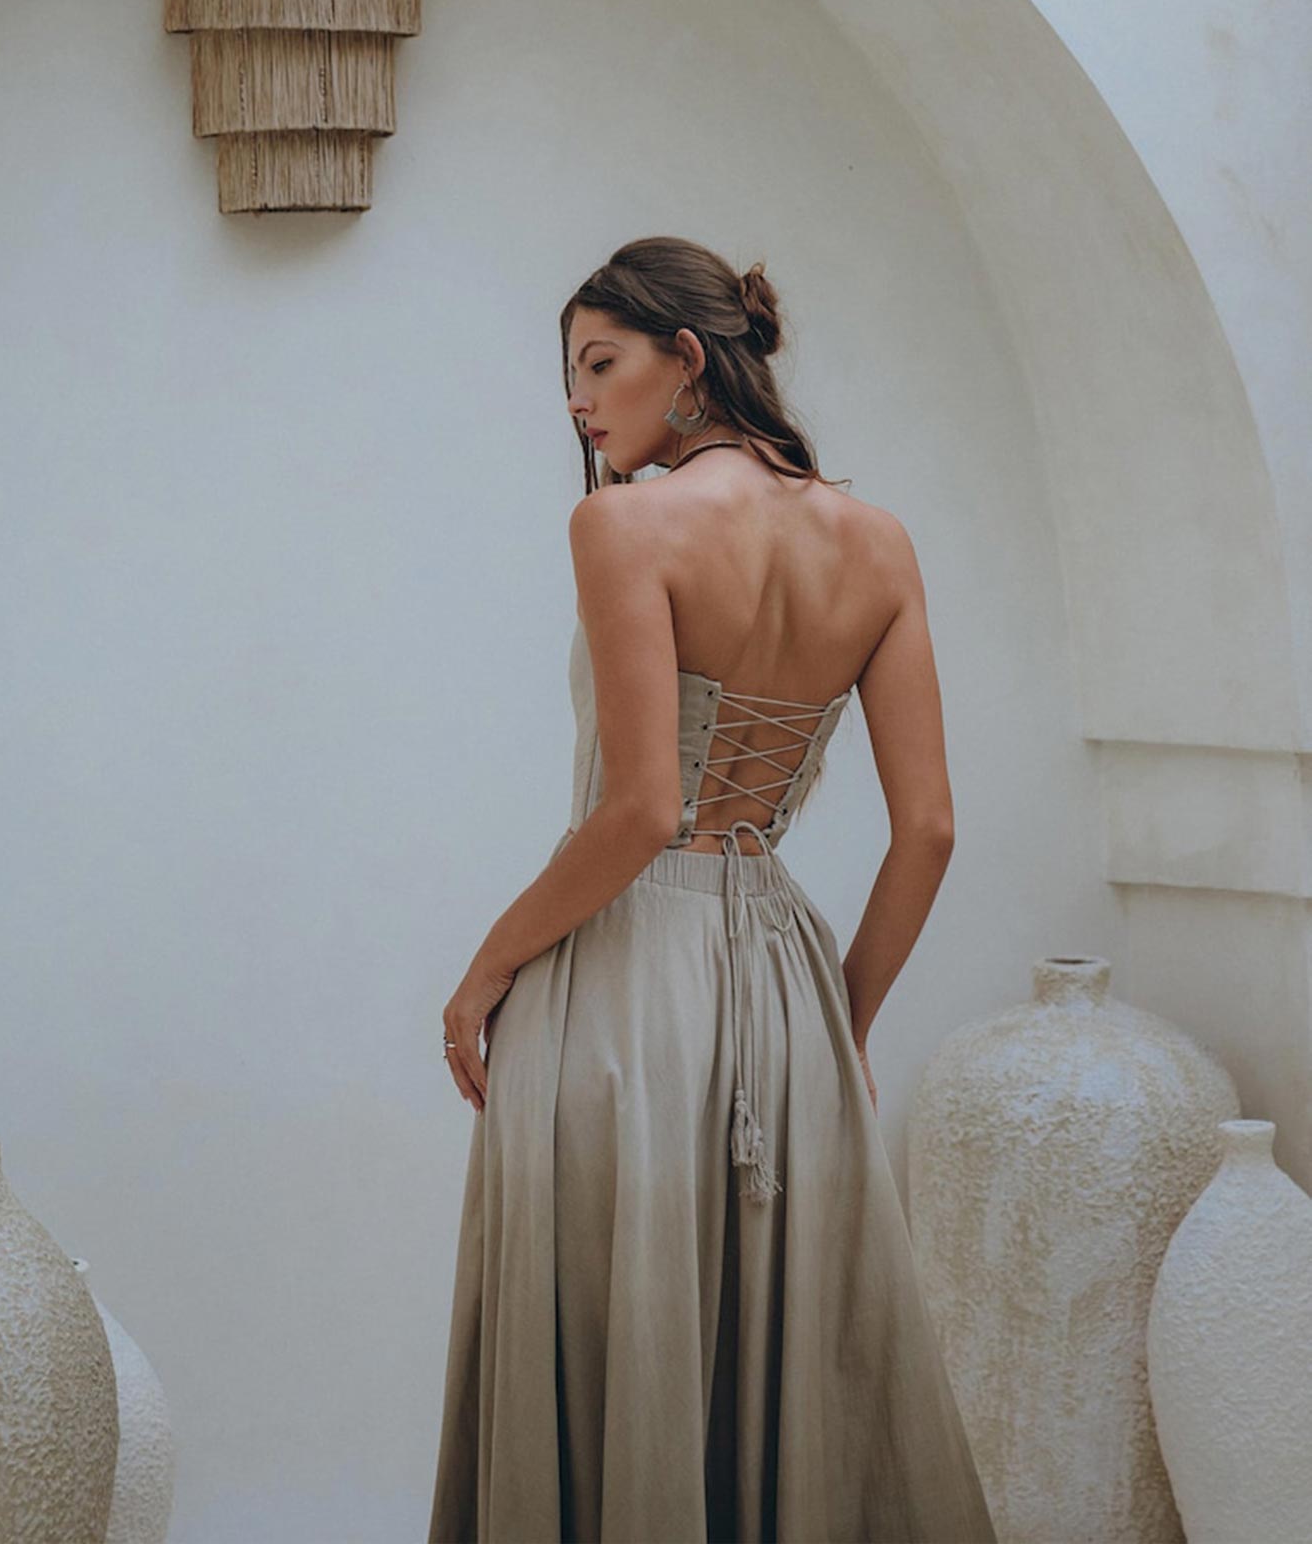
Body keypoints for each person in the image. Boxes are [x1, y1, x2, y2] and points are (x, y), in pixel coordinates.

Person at [427, 236, 998, 1542]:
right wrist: (841, 1023)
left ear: (688, 360)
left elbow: (637, 812)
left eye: (600, 362)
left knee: (613, 1325)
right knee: (779, 1347)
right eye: (568, 373)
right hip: (782, 985)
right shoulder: (878, 541)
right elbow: (930, 831)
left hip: (625, 975)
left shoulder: (621, 523)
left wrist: (482, 970)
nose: (578, 402)